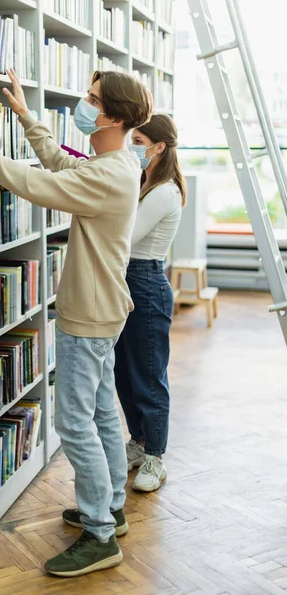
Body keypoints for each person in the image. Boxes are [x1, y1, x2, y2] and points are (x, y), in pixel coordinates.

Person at [0, 69, 152, 577]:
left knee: (73, 423)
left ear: (113, 116)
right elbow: (64, 165)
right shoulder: (118, 162)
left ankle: (100, 534)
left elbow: (39, 184)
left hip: (89, 315)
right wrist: (26, 118)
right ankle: (109, 509)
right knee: (102, 414)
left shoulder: (107, 174)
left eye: (92, 99)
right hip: (104, 311)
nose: (84, 104)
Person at [114, 114, 187, 493]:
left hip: (145, 283)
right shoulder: (144, 183)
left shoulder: (164, 191)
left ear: (159, 147)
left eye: (139, 140)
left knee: (148, 376)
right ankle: (139, 443)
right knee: (123, 374)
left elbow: (126, 236)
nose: (132, 145)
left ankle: (155, 456)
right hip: (125, 280)